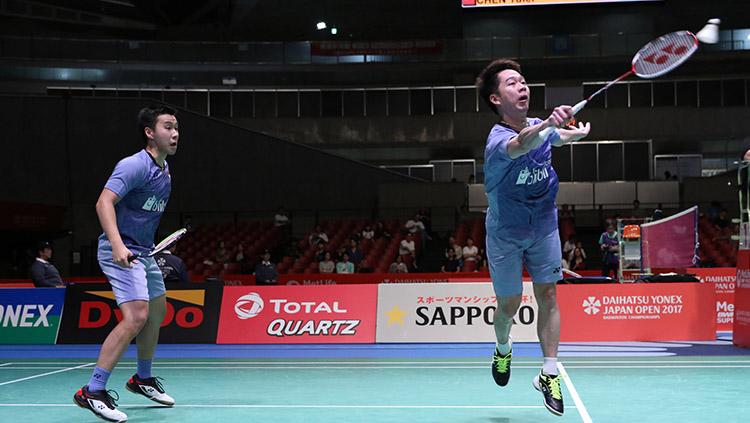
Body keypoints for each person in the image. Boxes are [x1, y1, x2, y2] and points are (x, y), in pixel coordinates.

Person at [477, 58, 590, 416]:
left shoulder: (540, 127)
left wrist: (576, 133)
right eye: (512, 83)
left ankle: (549, 371)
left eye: (523, 81)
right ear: (496, 99)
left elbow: (557, 136)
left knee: (548, 294)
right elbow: (524, 143)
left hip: (543, 225)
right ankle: (502, 347)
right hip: (506, 233)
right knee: (508, 306)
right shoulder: (498, 142)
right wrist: (547, 125)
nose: (522, 86)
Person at [74, 106, 179, 422]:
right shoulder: (134, 165)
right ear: (150, 132)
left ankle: (141, 379)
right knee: (137, 316)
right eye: (168, 127)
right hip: (118, 251)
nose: (175, 134)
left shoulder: (165, 171)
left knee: (157, 311)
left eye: (177, 128)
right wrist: (118, 244)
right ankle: (92, 391)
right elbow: (103, 202)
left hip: (142, 252)